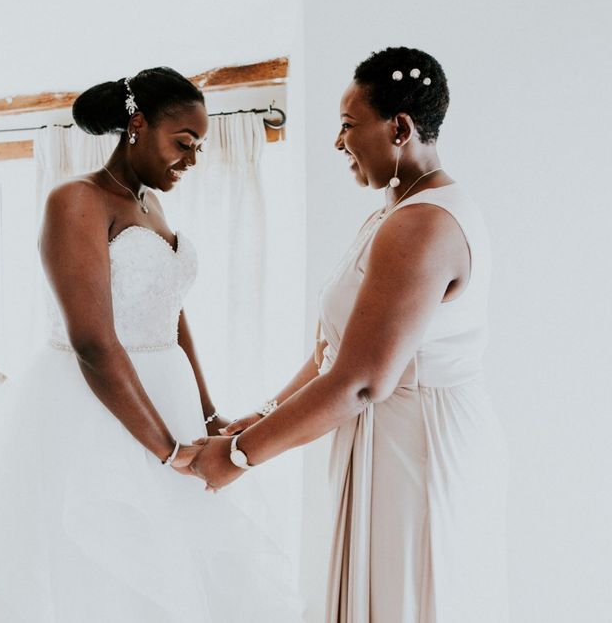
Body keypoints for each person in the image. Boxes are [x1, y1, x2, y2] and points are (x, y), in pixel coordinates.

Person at [0, 67, 301, 622]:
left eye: (199, 147)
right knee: (93, 567)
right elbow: (92, 340)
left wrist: (208, 414)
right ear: (137, 125)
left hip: (172, 400)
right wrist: (165, 451)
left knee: (175, 563)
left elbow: (173, 314)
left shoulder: (154, 208)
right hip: (91, 406)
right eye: (183, 143)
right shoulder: (76, 200)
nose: (192, 160)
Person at [190, 47, 509, 622]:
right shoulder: (395, 212)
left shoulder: (424, 223)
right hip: (387, 441)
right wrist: (261, 415)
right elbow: (330, 353)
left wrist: (237, 457)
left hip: (419, 453)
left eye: (347, 124)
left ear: (401, 128)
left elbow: (361, 381)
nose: (339, 143)